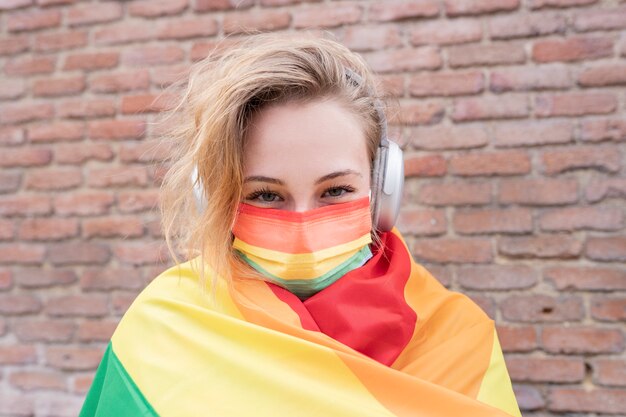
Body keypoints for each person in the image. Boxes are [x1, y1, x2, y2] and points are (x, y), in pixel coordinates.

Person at [79, 33, 522, 417]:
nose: (303, 229)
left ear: (383, 189)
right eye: (266, 195)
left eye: (335, 191)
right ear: (216, 203)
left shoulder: (459, 338)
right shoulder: (164, 329)